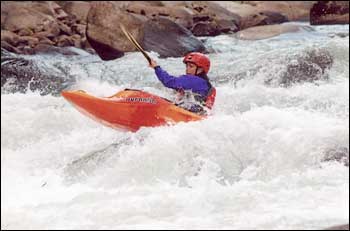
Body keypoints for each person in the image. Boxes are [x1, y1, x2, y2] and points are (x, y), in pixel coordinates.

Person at [149, 52, 216, 115]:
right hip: (197, 115)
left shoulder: (193, 80)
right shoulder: (205, 83)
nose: (187, 69)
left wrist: (156, 67)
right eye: (187, 66)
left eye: (191, 66)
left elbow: (169, 81)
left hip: (188, 115)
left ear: (200, 70)